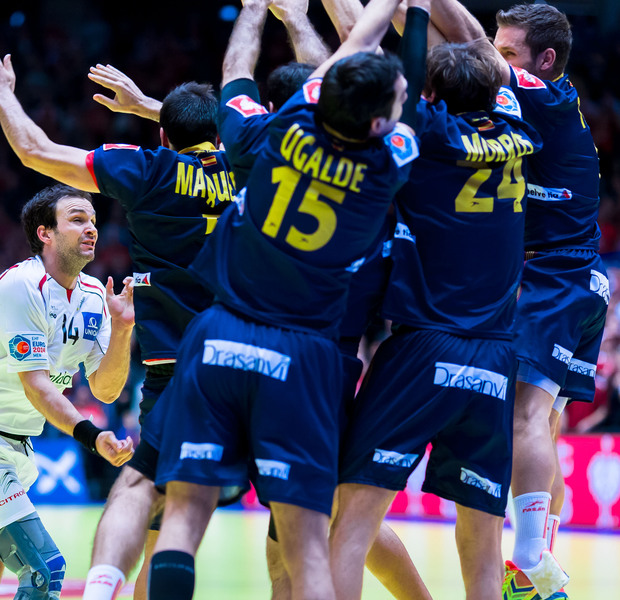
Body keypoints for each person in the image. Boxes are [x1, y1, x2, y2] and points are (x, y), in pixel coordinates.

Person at [142, 0, 425, 596]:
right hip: (310, 355)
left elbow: (243, 74)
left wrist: (258, 10)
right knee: (309, 548)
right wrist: (411, 14)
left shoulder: (279, 130)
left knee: (183, 515)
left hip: (226, 330)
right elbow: (382, 67)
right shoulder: (393, 161)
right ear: (380, 123)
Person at [0, 42, 238, 600]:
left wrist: (3, 94)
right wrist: (154, 107)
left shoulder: (149, 168)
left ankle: (102, 586)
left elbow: (35, 150)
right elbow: (233, 136)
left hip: (176, 365)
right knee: (313, 512)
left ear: (165, 136)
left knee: (142, 488)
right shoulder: (252, 166)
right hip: (250, 357)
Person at [329, 29, 543, 600]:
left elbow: (371, 59)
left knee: (351, 521)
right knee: (482, 543)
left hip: (426, 347)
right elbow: (477, 47)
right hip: (496, 356)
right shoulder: (519, 131)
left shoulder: (426, 133)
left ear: (430, 98)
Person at [426, 2, 605, 597]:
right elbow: (457, 50)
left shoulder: (543, 98)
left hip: (553, 276)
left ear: (544, 60)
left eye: (508, 53)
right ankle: (533, 572)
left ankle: (528, 554)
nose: (494, 59)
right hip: (578, 279)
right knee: (544, 430)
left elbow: (468, 41)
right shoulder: (549, 101)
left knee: (525, 419)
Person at [0, 183, 135, 600]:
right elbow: (37, 387)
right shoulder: (22, 285)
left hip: (15, 446)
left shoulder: (96, 295)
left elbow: (106, 390)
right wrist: (92, 436)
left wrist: (122, 330)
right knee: (44, 572)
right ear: (45, 233)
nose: (91, 228)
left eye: (93, 220)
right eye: (77, 219)